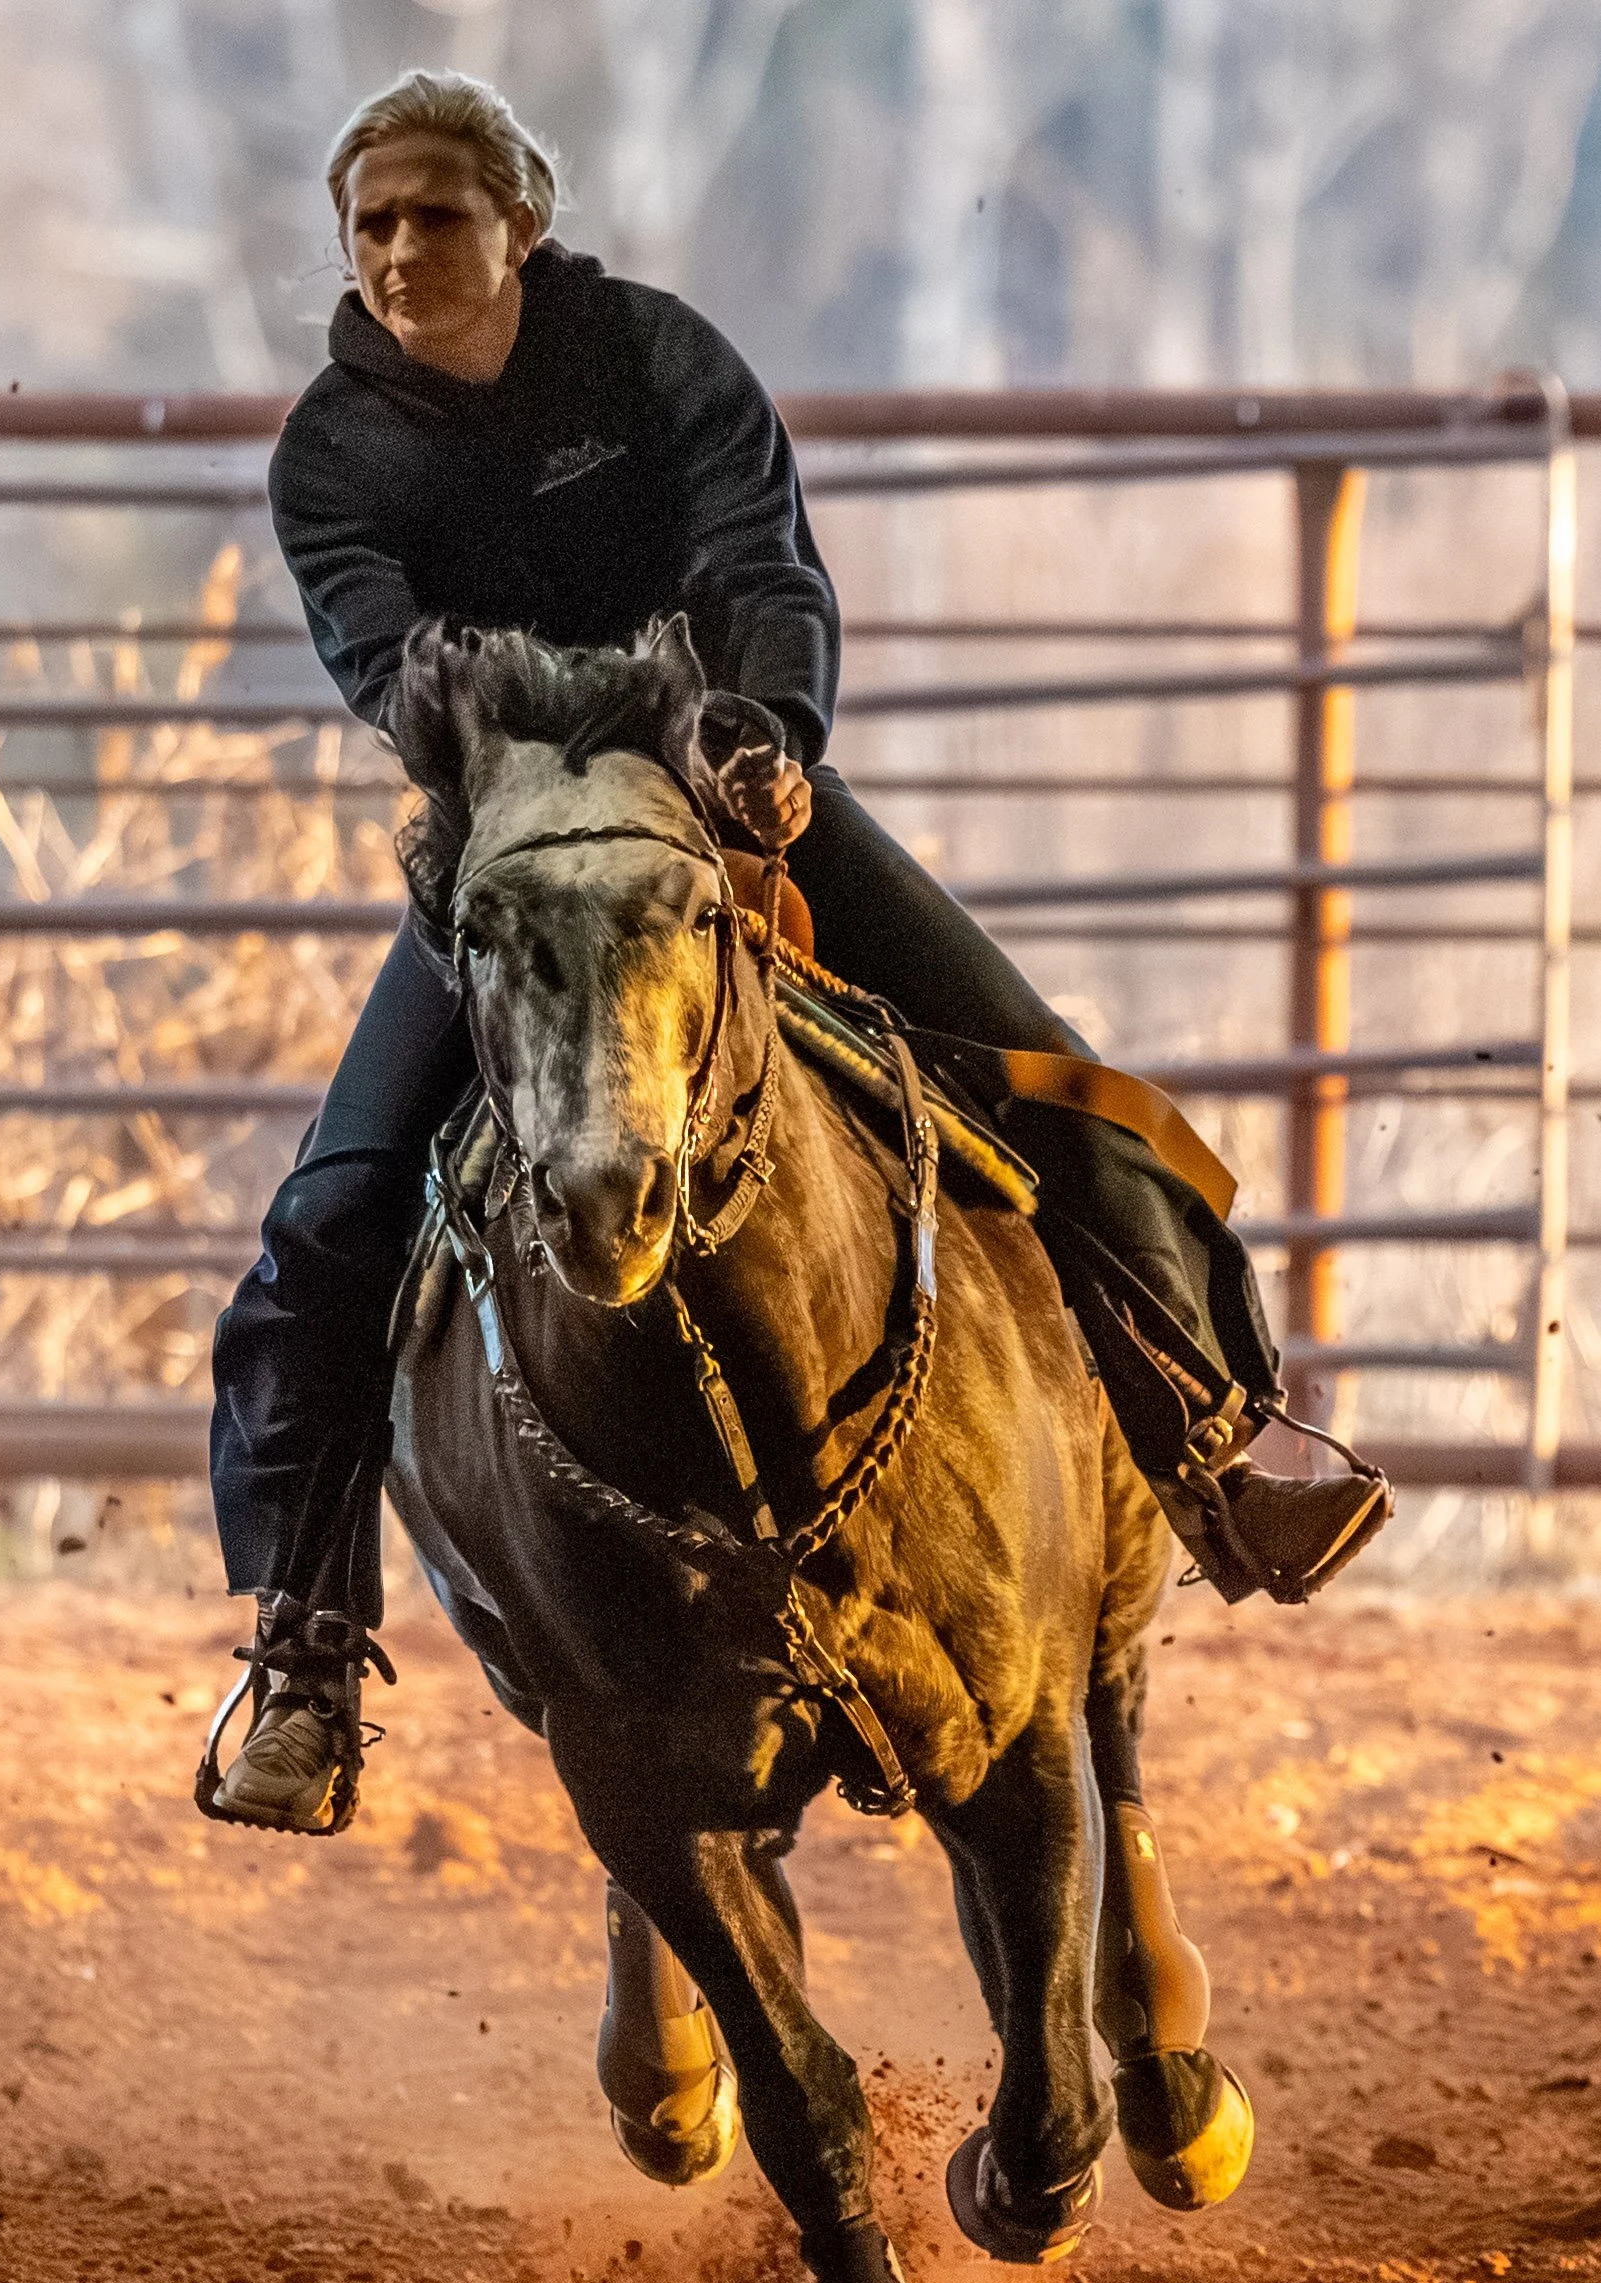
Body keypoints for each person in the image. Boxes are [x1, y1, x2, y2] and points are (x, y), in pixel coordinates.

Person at [205, 71, 1389, 1836]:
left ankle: (1221, 1433)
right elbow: (391, 666)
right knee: (331, 1215)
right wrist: (523, 772)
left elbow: (765, 557)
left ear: (518, 223)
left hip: (737, 802)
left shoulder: (661, 359)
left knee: (1047, 1074)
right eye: (369, 222)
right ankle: (304, 1648)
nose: (396, 251)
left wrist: (767, 731)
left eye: (434, 214)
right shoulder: (333, 450)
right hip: (523, 862)